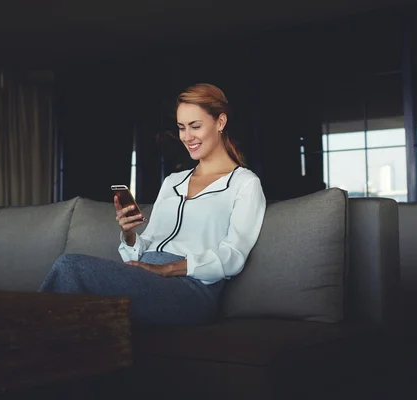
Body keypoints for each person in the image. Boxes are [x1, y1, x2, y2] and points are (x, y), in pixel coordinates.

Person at [39, 83, 267, 326]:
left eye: (195, 126)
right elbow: (146, 244)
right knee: (75, 300)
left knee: (69, 267)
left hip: (191, 289)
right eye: (181, 128)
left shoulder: (245, 183)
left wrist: (168, 269)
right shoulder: (172, 182)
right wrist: (128, 234)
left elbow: (232, 256)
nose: (187, 137)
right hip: (145, 274)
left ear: (220, 122)